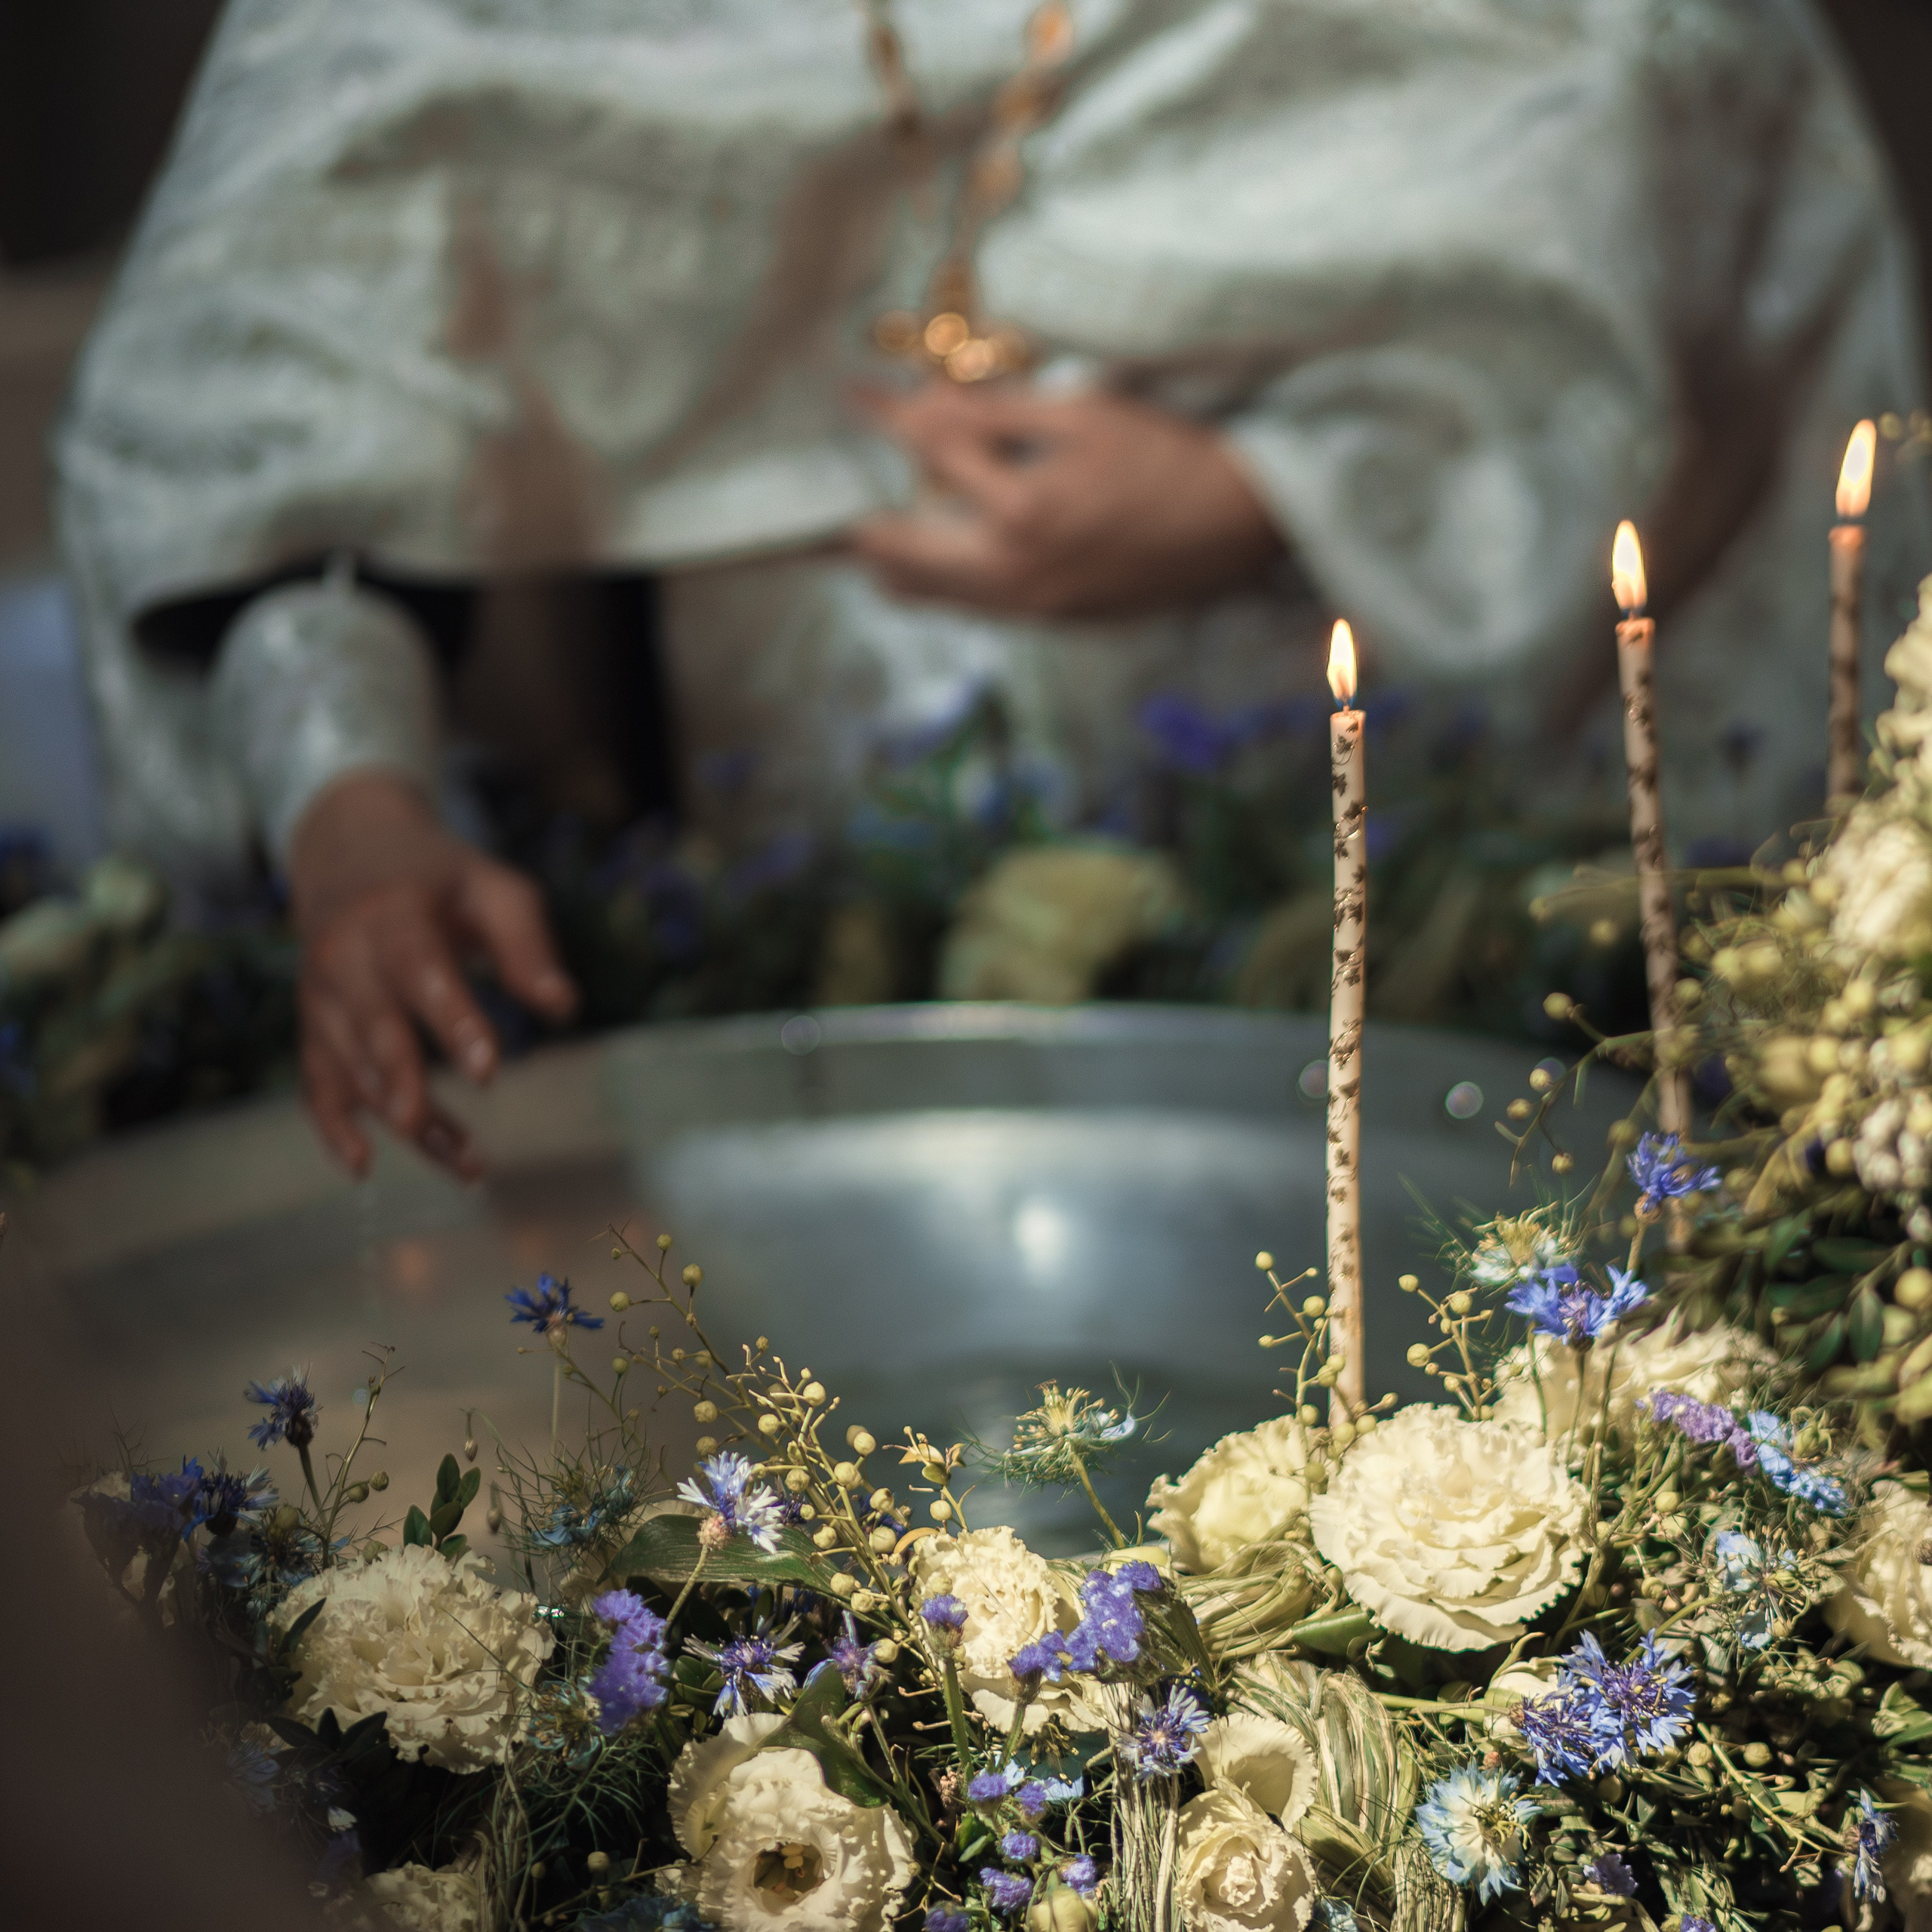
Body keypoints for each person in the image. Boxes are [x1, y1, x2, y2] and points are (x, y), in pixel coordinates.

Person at [54, 0, 1930, 1177]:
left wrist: (1260, 492)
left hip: (1374, 942)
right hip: (703, 955)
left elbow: (1682, 205)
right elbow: (288, 401)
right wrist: (353, 798)